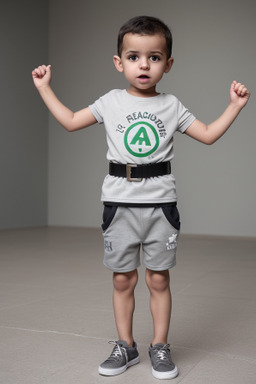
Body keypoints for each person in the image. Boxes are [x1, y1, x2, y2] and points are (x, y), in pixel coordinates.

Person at [32, 15, 250, 380]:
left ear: (168, 63)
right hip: (119, 204)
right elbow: (70, 121)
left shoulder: (171, 105)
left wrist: (234, 106)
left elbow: (209, 134)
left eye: (154, 57)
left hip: (160, 205)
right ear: (119, 63)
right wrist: (44, 88)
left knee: (159, 279)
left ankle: (160, 346)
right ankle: (126, 345)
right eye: (133, 57)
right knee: (122, 279)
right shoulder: (110, 101)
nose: (144, 64)